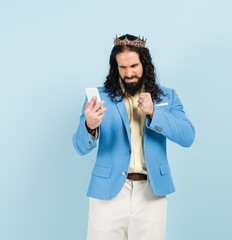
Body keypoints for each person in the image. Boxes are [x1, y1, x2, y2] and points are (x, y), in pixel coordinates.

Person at [72, 34, 195, 240]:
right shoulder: (98, 98)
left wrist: (154, 112)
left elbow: (187, 136)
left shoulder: (167, 97)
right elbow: (79, 146)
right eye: (122, 67)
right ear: (115, 68)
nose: (128, 73)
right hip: (108, 193)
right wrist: (90, 126)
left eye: (134, 66)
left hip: (151, 192)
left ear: (145, 64)